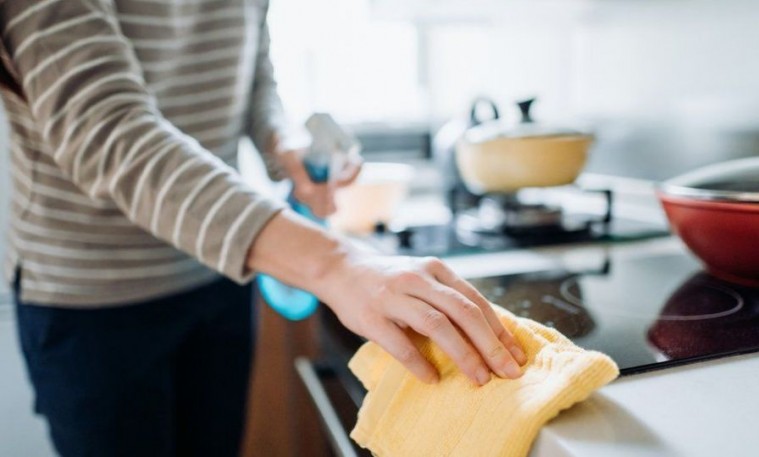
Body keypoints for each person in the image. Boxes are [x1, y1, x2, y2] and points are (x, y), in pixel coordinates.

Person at [0, 1, 526, 456]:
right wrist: (337, 263)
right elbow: (106, 130)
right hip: (93, 298)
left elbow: (253, 79)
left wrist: (283, 144)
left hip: (217, 274)